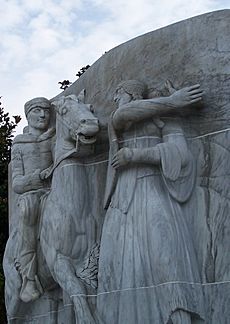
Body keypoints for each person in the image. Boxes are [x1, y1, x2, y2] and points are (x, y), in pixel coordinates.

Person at [98, 80, 205, 323]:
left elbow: (181, 154)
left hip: (152, 189)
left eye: (118, 95)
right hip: (122, 199)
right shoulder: (123, 120)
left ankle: (178, 316)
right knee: (118, 265)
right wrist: (172, 101)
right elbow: (121, 115)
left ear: (131, 93)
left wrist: (136, 155)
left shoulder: (166, 120)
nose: (116, 101)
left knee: (166, 257)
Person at [11, 97, 55, 303]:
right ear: (28, 115)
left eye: (46, 111)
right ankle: (28, 279)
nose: (43, 115)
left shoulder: (54, 137)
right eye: (37, 111)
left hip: (56, 190)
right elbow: (17, 184)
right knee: (28, 210)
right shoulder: (19, 145)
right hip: (32, 194)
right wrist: (37, 177)